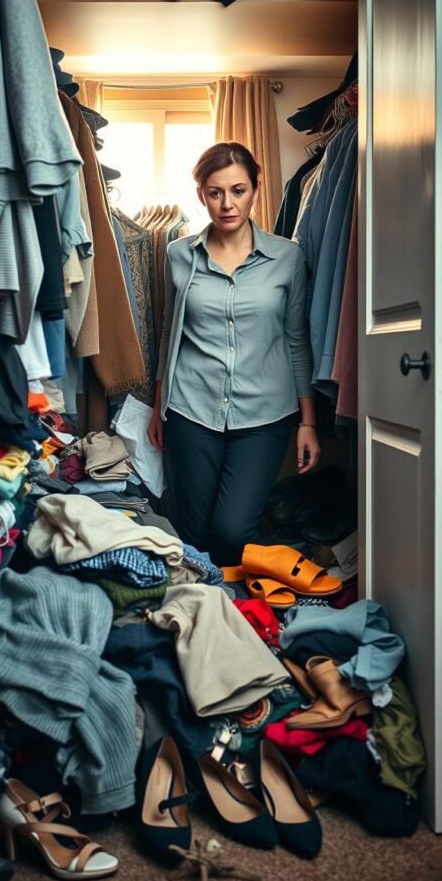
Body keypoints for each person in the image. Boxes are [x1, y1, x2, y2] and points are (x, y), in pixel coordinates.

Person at [147, 141, 319, 566]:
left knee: (230, 531)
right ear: (201, 194)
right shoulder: (177, 254)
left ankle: (236, 600)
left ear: (256, 190)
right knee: (192, 527)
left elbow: (297, 337)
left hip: (265, 414)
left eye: (238, 190)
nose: (227, 204)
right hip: (190, 407)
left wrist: (308, 422)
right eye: (215, 192)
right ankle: (200, 615)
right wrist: (158, 405)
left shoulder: (288, 256)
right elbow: (170, 331)